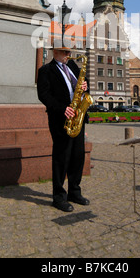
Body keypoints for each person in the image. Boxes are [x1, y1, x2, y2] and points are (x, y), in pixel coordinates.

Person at [37, 47, 90, 212]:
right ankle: (58, 197)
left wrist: (85, 86)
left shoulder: (74, 66)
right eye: (65, 52)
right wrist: (62, 109)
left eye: (69, 52)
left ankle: (74, 191)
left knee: (78, 156)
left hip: (77, 118)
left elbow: (82, 88)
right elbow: (43, 95)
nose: (69, 55)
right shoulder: (46, 70)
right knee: (61, 157)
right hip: (61, 119)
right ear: (55, 52)